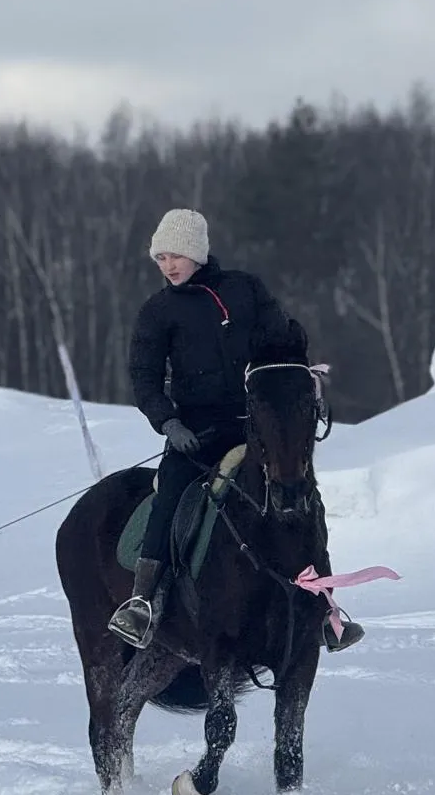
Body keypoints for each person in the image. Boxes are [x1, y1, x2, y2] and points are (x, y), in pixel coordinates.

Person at [108, 207, 364, 652]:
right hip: (196, 436)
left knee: (303, 494)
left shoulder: (245, 290)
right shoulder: (158, 311)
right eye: (160, 259)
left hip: (255, 430)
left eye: (174, 256)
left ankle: (325, 607)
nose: (167, 266)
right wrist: (169, 422)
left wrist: (294, 379)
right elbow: (143, 376)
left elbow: (282, 343)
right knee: (170, 493)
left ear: (196, 253)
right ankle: (143, 600)